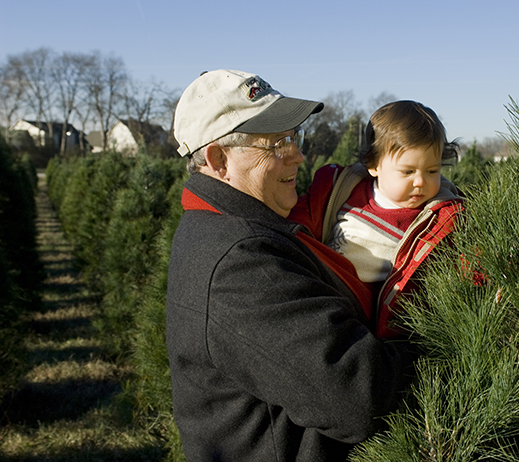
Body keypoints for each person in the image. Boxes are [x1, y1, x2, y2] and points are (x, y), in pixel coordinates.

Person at [166, 69, 414, 462]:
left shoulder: (226, 227)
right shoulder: (240, 262)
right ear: (218, 159)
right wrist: (439, 339)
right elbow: (356, 394)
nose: (298, 155)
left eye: (294, 138)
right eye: (277, 143)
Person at [290, 100, 470, 339]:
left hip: (383, 324)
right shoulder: (341, 189)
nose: (420, 181)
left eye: (432, 171)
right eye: (408, 171)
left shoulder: (439, 219)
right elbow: (300, 221)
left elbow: (467, 262)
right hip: (329, 296)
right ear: (374, 165)